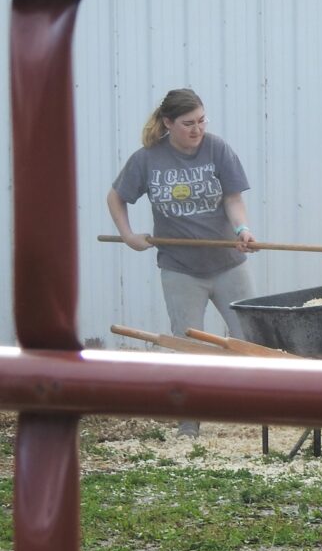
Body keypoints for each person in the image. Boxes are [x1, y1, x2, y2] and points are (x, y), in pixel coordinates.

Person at [107, 88, 258, 437]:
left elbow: (233, 199)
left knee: (250, 338)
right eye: (188, 123)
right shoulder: (147, 159)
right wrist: (128, 236)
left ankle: (260, 414)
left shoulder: (218, 149)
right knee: (189, 346)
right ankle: (189, 424)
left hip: (228, 264)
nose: (197, 129)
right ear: (168, 123)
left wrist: (243, 229)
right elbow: (116, 197)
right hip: (180, 270)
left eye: (202, 121)